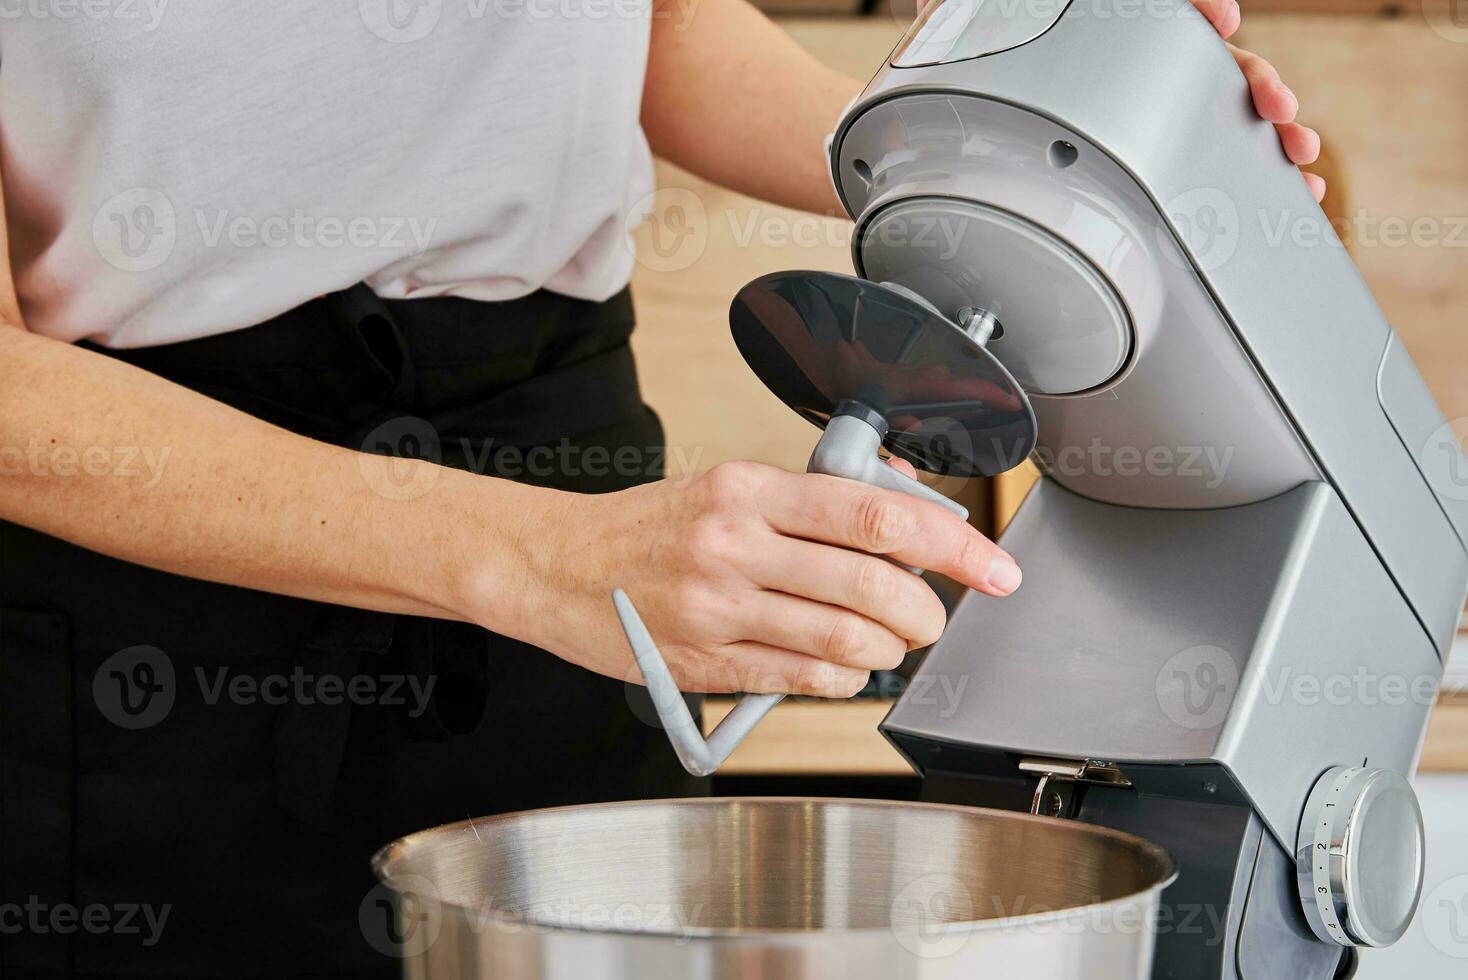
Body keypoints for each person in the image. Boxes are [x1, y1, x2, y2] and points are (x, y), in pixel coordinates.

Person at [0, 0, 1322, 975]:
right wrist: (539, 558)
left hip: (564, 484)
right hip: (162, 567)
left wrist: (1000, 156)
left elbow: (650, 29)